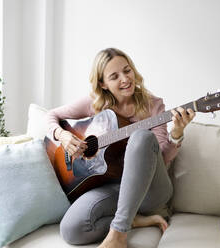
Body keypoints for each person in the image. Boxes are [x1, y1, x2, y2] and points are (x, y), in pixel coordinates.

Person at [47, 48, 195, 248]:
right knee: (71, 230)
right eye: (115, 76)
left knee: (142, 137)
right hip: (112, 185)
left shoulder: (153, 105)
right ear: (103, 83)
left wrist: (176, 134)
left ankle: (118, 233)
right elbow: (51, 116)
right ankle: (134, 220)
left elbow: (160, 157)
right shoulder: (94, 103)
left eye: (127, 71)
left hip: (150, 190)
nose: (125, 79)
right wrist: (62, 135)